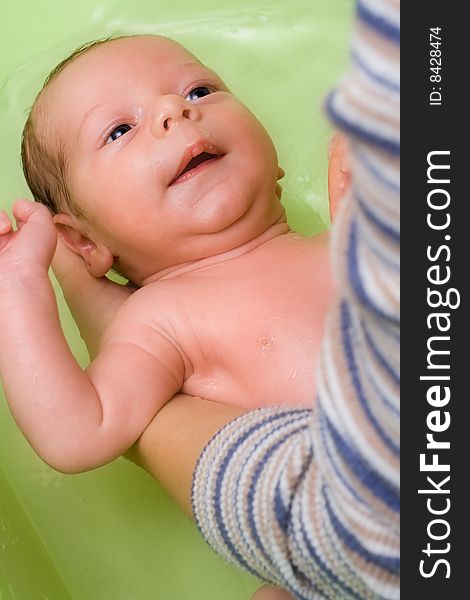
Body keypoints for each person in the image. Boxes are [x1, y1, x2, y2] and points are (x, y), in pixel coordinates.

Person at [0, 0, 400, 594]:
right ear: (84, 243)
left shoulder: (340, 239)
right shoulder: (160, 321)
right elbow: (78, 431)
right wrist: (18, 288)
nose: (174, 110)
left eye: (201, 89)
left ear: (276, 163)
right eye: (119, 129)